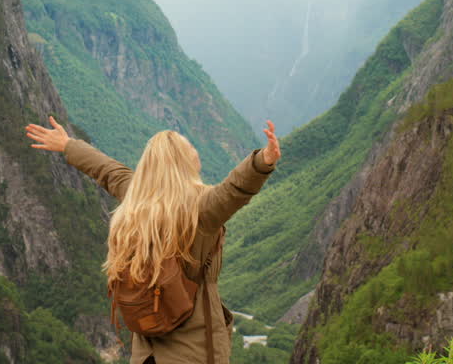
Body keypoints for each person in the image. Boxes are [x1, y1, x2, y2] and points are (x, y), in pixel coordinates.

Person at [25, 115, 281, 364]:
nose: (195, 150)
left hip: (147, 354)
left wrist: (69, 145)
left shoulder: (135, 199)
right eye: (190, 147)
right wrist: (262, 161)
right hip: (192, 352)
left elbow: (106, 169)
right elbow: (234, 190)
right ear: (183, 160)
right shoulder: (200, 211)